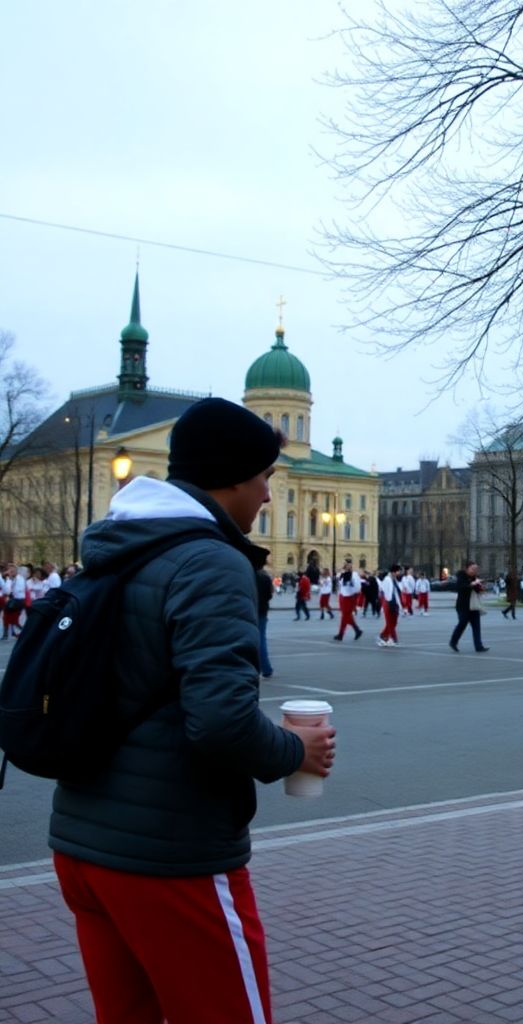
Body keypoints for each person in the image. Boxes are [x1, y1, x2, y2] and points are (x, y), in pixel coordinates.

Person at [49, 396, 336, 1024]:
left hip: (82, 842)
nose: (267, 494)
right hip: (168, 852)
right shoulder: (210, 560)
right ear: (231, 475)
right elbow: (221, 723)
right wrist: (297, 749)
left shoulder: (117, 543)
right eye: (263, 476)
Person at [449, 560, 489, 652]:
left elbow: (477, 590)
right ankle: (453, 641)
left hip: (473, 606)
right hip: (463, 606)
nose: (475, 571)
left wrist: (481, 587)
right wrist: (472, 584)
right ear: (467, 568)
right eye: (473, 569)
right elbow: (461, 588)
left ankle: (479, 646)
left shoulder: (475, 577)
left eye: (476, 569)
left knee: (476, 626)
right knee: (462, 623)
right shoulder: (461, 577)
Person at [334, 559, 365, 642]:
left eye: (348, 564)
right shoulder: (342, 574)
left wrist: (355, 596)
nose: (347, 566)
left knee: (345, 616)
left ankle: (342, 634)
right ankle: (357, 631)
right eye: (345, 564)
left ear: (351, 565)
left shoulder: (354, 575)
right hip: (343, 596)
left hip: (350, 597)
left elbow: (358, 587)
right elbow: (339, 583)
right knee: (346, 616)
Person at [256, 558, 274, 679]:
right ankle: (266, 668)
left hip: (250, 609)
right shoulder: (265, 576)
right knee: (261, 639)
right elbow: (269, 594)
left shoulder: (250, 575)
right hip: (262, 610)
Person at [377, 564, 402, 647]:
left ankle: (383, 636)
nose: (399, 573)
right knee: (390, 622)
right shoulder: (387, 579)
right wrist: (387, 603)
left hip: (394, 604)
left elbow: (397, 593)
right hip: (388, 603)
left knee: (393, 622)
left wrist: (400, 605)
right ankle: (393, 639)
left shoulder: (394, 580)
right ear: (394, 572)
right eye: (398, 571)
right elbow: (383, 591)